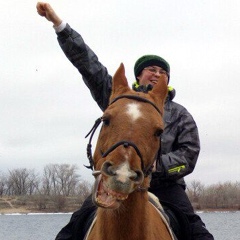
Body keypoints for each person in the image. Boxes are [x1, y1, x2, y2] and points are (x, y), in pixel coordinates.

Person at [36, 2, 214, 240]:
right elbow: (90, 67)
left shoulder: (181, 115)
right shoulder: (118, 97)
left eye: (163, 73)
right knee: (70, 231)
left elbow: (189, 155)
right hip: (112, 180)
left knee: (197, 233)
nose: (157, 74)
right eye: (152, 69)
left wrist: (154, 167)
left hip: (165, 188)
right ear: (139, 75)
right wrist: (60, 26)